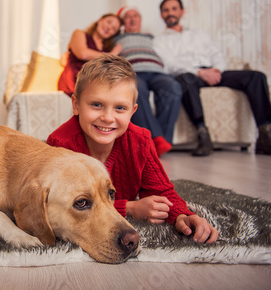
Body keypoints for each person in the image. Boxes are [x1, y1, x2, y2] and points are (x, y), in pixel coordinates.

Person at [47, 55, 219, 244]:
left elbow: (162, 192)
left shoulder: (141, 141)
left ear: (132, 111)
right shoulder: (61, 144)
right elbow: (62, 207)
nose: (107, 117)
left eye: (120, 108)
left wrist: (182, 216)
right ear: (76, 105)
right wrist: (129, 208)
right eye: (96, 105)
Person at [153, 0, 271, 157]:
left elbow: (216, 53)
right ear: (161, 15)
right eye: (166, 10)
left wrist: (216, 69)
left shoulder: (199, 34)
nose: (170, 13)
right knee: (184, 80)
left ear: (182, 11)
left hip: (213, 71)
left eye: (174, 9)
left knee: (256, 77)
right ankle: (203, 133)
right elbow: (169, 64)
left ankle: (265, 132)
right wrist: (200, 73)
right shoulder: (159, 41)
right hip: (190, 75)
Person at [115, 6, 182, 157]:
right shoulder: (116, 39)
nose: (132, 19)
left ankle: (162, 141)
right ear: (123, 22)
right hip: (133, 71)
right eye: (128, 16)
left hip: (157, 72)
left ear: (140, 20)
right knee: (136, 90)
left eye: (136, 15)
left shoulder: (152, 37)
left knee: (174, 87)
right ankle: (155, 139)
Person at [58, 13, 122, 96]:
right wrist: (111, 55)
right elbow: (82, 53)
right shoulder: (79, 33)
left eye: (114, 29)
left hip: (95, 82)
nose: (109, 28)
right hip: (75, 79)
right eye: (109, 22)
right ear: (100, 20)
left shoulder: (107, 49)